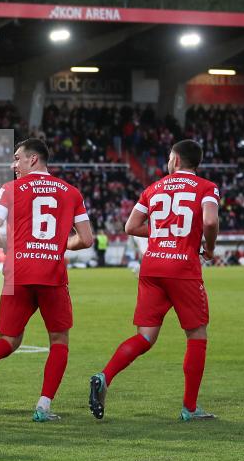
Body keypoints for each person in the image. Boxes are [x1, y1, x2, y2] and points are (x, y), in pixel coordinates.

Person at [0, 138, 93, 422]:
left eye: (17, 158)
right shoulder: (71, 193)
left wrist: (12, 247)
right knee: (58, 339)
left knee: (8, 339)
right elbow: (87, 239)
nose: (13, 164)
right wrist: (61, 244)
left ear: (33, 159)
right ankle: (43, 407)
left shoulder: (9, 189)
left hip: (17, 271)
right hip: (51, 273)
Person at [89, 140, 219, 422]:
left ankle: (105, 376)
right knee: (196, 336)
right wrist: (208, 248)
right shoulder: (206, 188)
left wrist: (162, 234)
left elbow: (130, 226)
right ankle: (190, 408)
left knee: (144, 337)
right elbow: (209, 221)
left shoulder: (154, 188)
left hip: (152, 266)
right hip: (183, 268)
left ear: (175, 160)